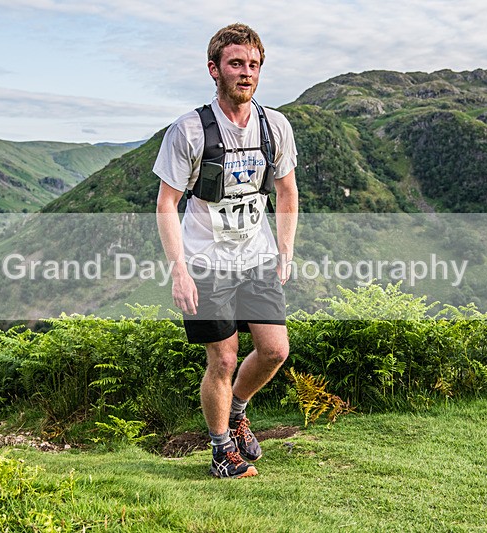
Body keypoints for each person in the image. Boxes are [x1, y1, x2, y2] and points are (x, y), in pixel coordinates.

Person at [154, 23, 298, 478]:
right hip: (205, 261)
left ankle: (237, 412)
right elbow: (166, 204)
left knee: (275, 350)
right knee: (224, 358)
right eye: (236, 64)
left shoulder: (275, 126)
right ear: (214, 69)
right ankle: (221, 451)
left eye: (253, 65)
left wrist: (286, 249)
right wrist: (178, 270)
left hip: (256, 256)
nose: (246, 73)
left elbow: (287, 191)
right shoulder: (189, 130)